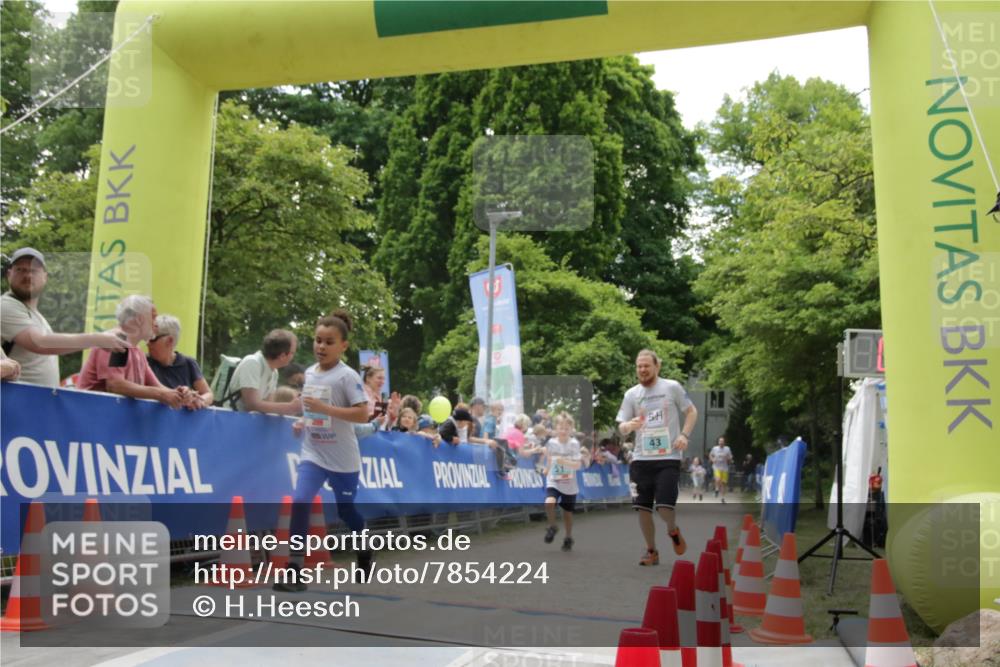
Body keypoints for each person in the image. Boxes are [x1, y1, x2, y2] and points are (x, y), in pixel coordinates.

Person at [275, 310, 371, 593]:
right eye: (318, 340)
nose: (321, 346)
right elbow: (313, 409)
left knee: (346, 510)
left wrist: (324, 409)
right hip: (314, 451)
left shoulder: (347, 376)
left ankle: (365, 547)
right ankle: (295, 570)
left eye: (329, 342)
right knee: (300, 500)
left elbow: (363, 414)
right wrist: (305, 420)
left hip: (343, 457)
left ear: (343, 346)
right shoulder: (309, 373)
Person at [617, 349, 698, 566]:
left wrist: (684, 435)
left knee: (664, 508)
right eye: (639, 366)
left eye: (646, 366)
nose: (642, 370)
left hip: (668, 458)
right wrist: (629, 425)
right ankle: (651, 550)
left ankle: (672, 530)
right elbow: (622, 427)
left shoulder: (671, 387)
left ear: (657, 366)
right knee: (643, 509)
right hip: (640, 459)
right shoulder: (631, 394)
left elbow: (691, 412)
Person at [2, 247, 127, 386]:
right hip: (13, 398)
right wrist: (98, 339)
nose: (28, 276)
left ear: (45, 277)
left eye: (34, 270)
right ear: (9, 274)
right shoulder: (5, 306)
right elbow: (40, 343)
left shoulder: (35, 315)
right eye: (21, 270)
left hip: (33, 398)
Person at [76, 295, 188, 409]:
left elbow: (159, 388)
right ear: (139, 319)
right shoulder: (117, 340)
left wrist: (182, 396)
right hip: (90, 413)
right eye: (153, 317)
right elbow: (115, 385)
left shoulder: (137, 351)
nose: (156, 324)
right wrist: (162, 394)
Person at [146, 314, 214, 408]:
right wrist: (182, 395)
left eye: (152, 338)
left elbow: (208, 394)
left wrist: (198, 400)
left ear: (170, 340)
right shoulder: (144, 361)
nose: (147, 343)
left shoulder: (189, 363)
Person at [228, 329, 301, 415]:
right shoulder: (252, 363)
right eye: (292, 353)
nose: (293, 357)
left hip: (247, 420)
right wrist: (289, 407)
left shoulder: (274, 372)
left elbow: (268, 405)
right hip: (230, 418)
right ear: (282, 356)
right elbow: (252, 405)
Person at [542, 412, 582, 552]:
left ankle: (568, 537)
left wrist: (564, 461)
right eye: (561, 428)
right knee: (549, 502)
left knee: (567, 513)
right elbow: (549, 457)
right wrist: (547, 469)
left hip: (569, 483)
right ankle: (552, 526)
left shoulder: (574, 444)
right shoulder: (552, 443)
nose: (563, 431)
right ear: (556, 428)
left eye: (566, 428)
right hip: (554, 479)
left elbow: (577, 465)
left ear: (571, 429)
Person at [710, 436, 734, 503]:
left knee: (723, 483)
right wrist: (712, 460)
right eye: (720, 441)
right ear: (718, 442)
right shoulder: (715, 448)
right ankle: (717, 490)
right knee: (718, 479)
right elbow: (710, 455)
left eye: (722, 441)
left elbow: (730, 457)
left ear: (724, 442)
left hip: (724, 468)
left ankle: (723, 498)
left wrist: (728, 458)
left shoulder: (727, 449)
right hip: (716, 467)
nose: (721, 442)